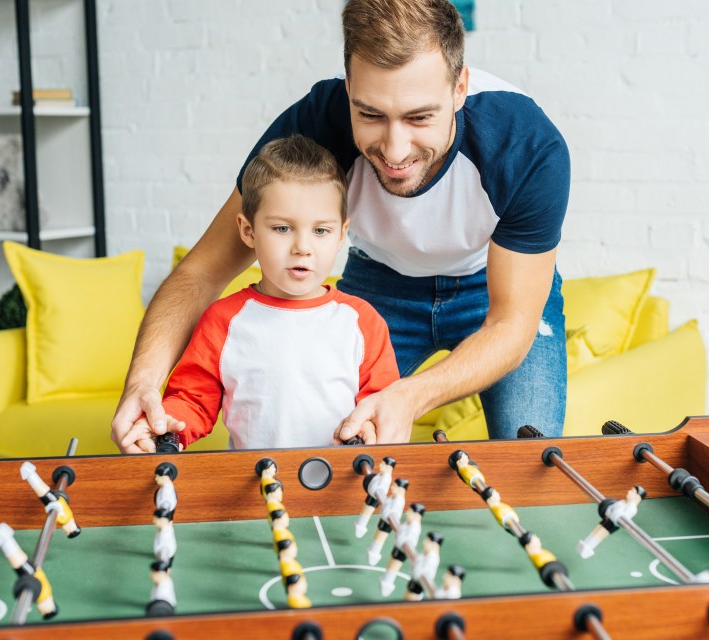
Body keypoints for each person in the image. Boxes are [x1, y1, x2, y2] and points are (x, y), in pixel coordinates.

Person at [111, 0, 570, 452]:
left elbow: (511, 323)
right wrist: (143, 384)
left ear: (459, 88)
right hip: (382, 281)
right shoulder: (313, 126)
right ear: (349, 89)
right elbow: (201, 273)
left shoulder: (526, 147)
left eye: (419, 117)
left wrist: (409, 398)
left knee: (530, 458)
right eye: (370, 114)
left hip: (492, 289)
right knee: (331, 447)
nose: (394, 150)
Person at [119, 134, 400, 452]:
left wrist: (368, 428)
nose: (302, 248)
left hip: (341, 493)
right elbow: (192, 401)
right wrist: (162, 428)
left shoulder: (362, 322)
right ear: (248, 231)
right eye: (282, 228)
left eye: (321, 230)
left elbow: (380, 405)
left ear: (341, 235)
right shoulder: (223, 321)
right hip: (252, 489)